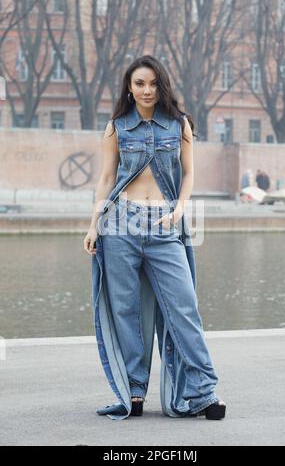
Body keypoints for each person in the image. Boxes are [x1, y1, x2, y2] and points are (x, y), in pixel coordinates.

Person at [83, 55, 226, 421]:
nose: (146, 90)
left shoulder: (179, 125)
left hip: (164, 225)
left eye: (152, 84)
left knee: (184, 307)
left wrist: (179, 209)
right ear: (129, 89)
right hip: (120, 225)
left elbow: (190, 174)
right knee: (126, 310)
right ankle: (133, 392)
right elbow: (105, 179)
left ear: (162, 86)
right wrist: (93, 224)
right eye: (139, 84)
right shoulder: (117, 127)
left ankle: (202, 393)